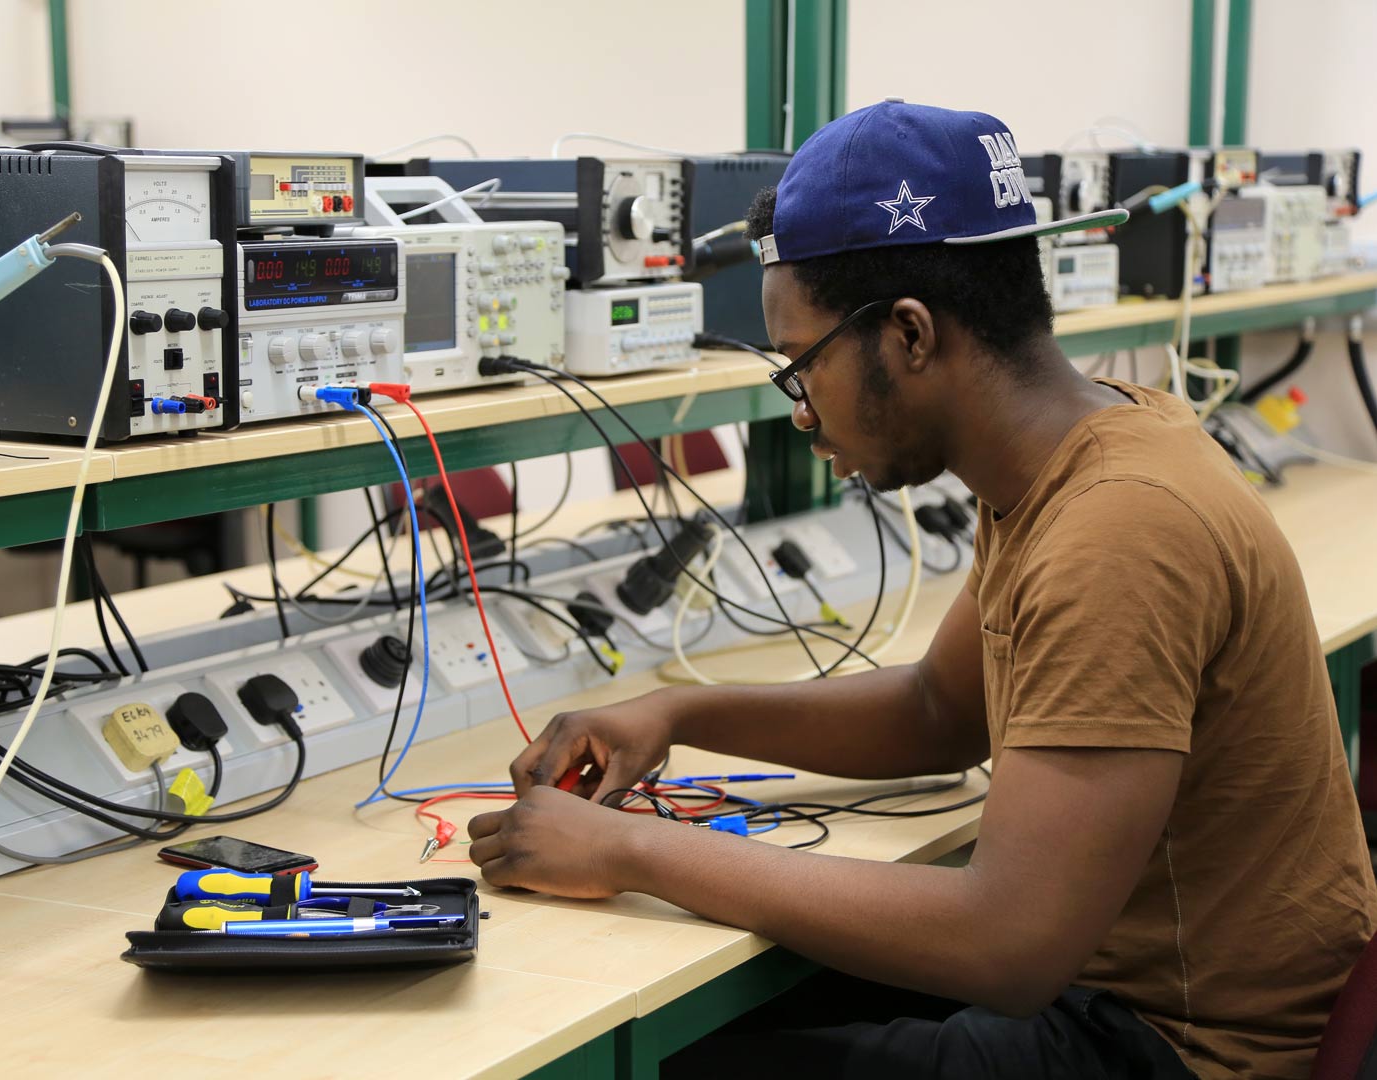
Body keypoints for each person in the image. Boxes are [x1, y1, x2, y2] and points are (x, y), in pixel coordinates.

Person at [466, 100, 1377, 1079]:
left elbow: (1008, 946)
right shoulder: (1080, 449)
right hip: (1122, 989)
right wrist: (677, 711)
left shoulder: (1118, 530)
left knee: (685, 1063)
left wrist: (628, 853)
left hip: (1184, 1050)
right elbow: (942, 710)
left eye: (800, 366)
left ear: (909, 335)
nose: (803, 413)